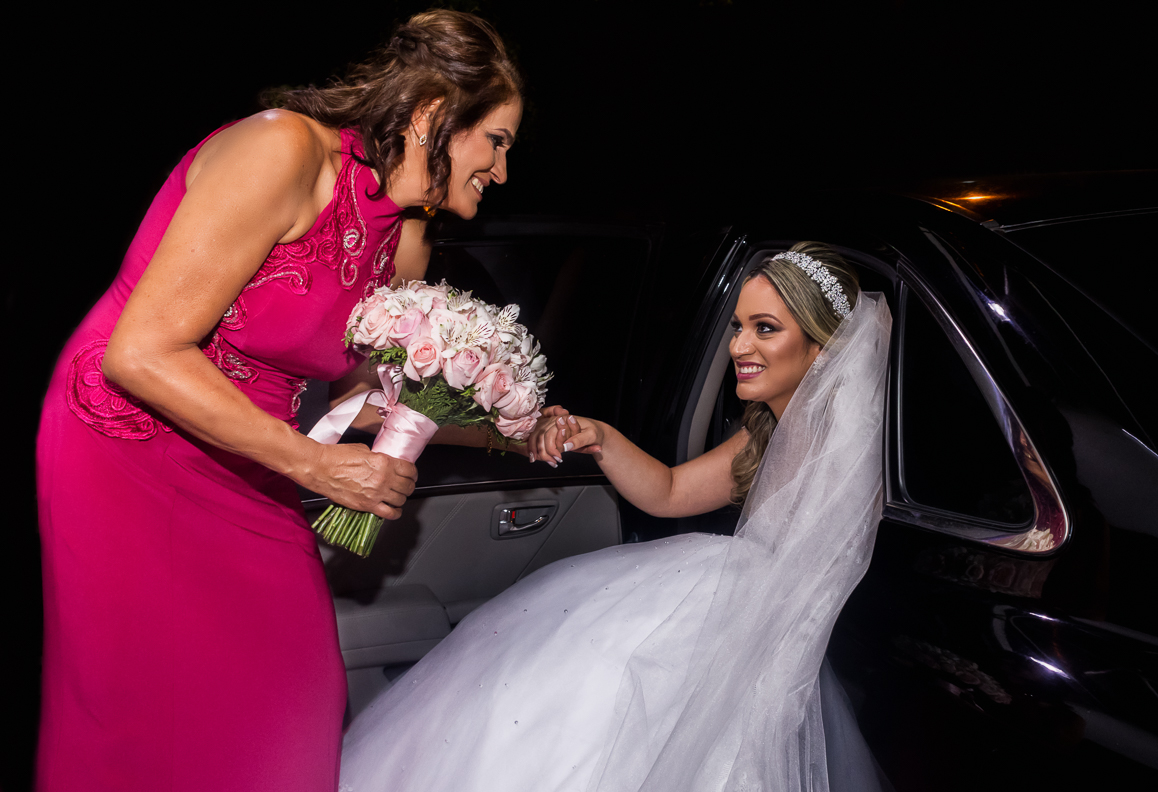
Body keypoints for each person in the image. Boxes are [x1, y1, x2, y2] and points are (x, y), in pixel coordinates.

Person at [35, 10, 522, 791]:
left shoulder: (407, 233)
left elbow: (359, 402)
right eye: (496, 140)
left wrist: (510, 431)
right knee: (137, 715)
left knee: (299, 695)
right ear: (437, 116)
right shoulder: (283, 150)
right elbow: (142, 352)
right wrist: (318, 468)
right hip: (127, 444)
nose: (501, 169)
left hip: (250, 461)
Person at [338, 243, 894, 791]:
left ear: (823, 349)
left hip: (755, 634)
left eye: (765, 328)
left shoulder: (845, 450)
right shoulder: (762, 430)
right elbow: (671, 492)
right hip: (722, 600)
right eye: (737, 326)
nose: (739, 346)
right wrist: (599, 436)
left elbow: (820, 589)